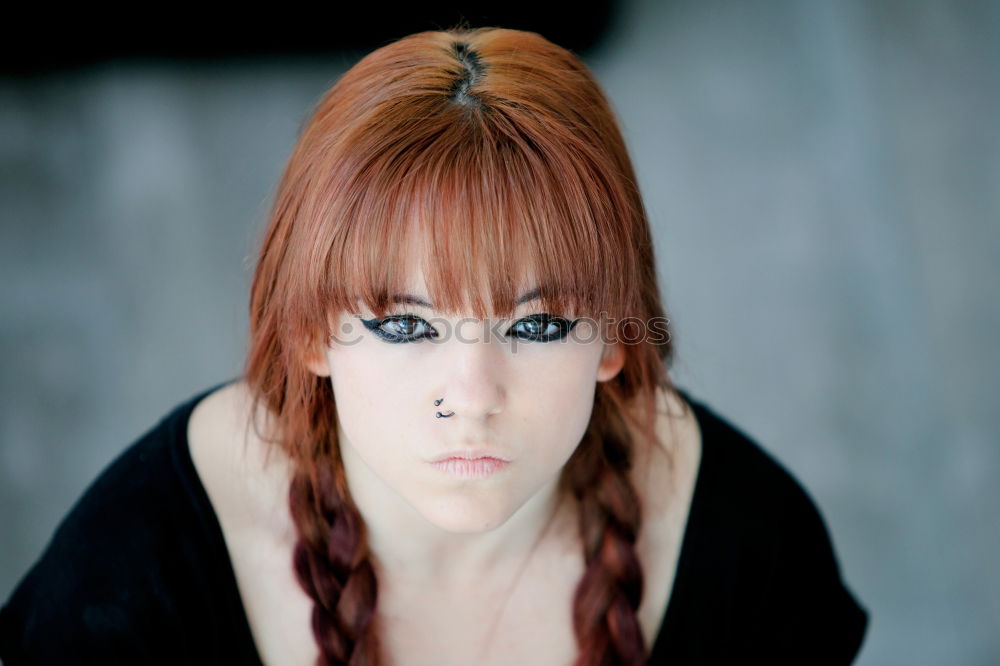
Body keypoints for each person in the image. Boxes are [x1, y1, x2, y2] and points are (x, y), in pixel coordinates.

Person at [0, 26, 868, 666]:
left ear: (613, 339)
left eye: (537, 325)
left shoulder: (753, 549)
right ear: (310, 334)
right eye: (405, 325)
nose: (472, 393)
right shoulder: (130, 579)